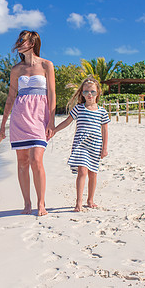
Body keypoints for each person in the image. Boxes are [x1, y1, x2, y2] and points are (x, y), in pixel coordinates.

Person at [0, 30, 56, 216]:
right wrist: (3, 123)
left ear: (32, 43)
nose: (19, 43)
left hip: (40, 117)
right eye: (19, 40)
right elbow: (11, 96)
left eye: (23, 41)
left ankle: (41, 203)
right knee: (22, 162)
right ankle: (26, 203)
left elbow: (52, 94)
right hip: (20, 116)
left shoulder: (47, 65)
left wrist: (52, 121)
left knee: (36, 159)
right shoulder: (16, 69)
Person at [52, 76, 110, 212]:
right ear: (82, 94)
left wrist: (105, 148)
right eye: (85, 92)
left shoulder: (102, 111)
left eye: (92, 92)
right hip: (81, 144)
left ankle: (90, 200)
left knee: (93, 173)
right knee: (82, 171)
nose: (89, 94)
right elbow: (67, 122)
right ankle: (78, 202)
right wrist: (54, 130)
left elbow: (105, 130)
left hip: (95, 145)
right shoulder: (78, 108)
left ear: (98, 93)